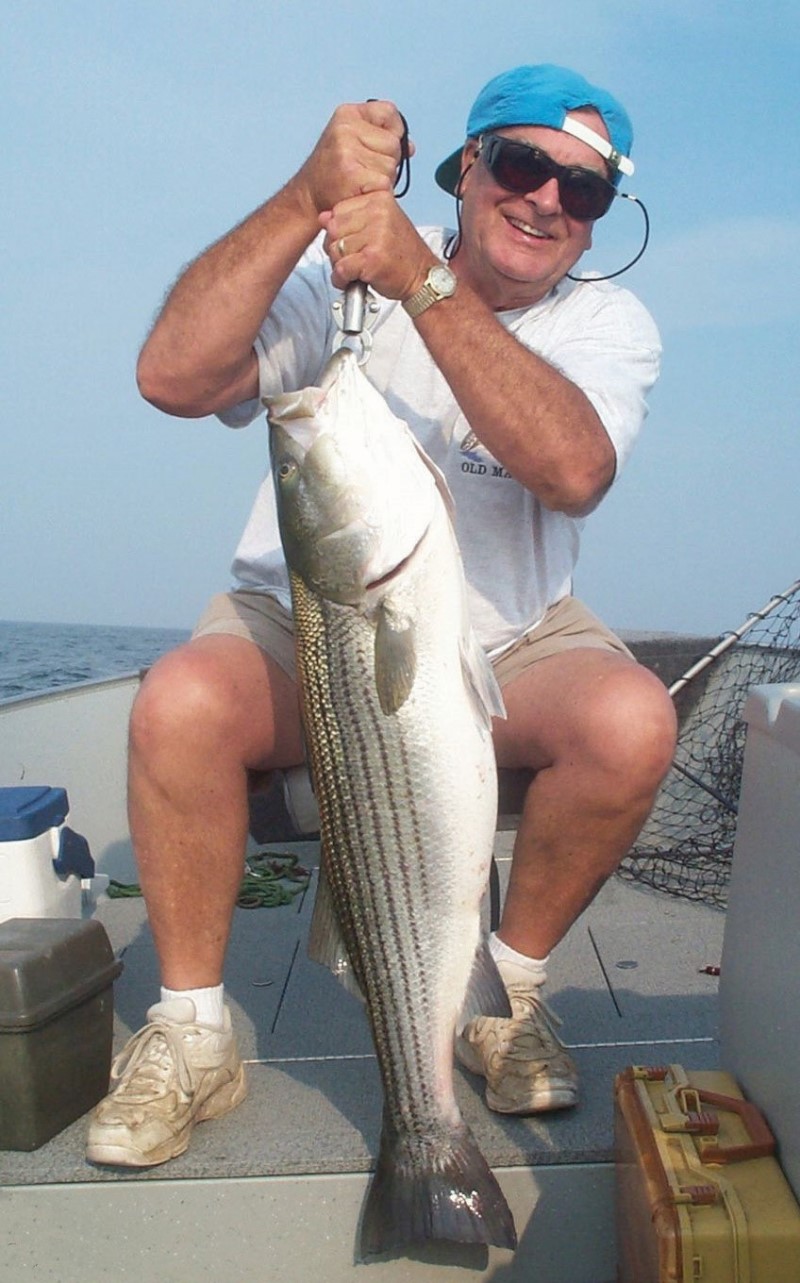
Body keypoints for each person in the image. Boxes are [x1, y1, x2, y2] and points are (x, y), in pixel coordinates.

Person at [86, 64, 677, 1168]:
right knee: (178, 702)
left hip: (508, 635)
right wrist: (306, 195)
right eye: (521, 165)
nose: (547, 199)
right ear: (464, 171)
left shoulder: (603, 321)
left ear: (597, 224)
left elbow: (572, 467)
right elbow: (173, 375)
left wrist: (428, 287)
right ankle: (193, 1028)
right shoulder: (338, 278)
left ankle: (500, 996)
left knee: (630, 720)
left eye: (583, 192)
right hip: (317, 612)